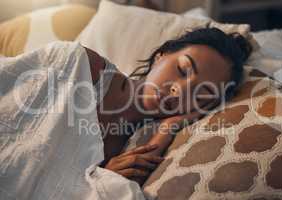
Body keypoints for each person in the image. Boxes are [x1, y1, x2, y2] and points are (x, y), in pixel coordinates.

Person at [0, 27, 252, 200]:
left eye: (199, 94)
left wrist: (168, 129)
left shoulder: (136, 143)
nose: (178, 90)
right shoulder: (79, 64)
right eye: (183, 70)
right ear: (161, 56)